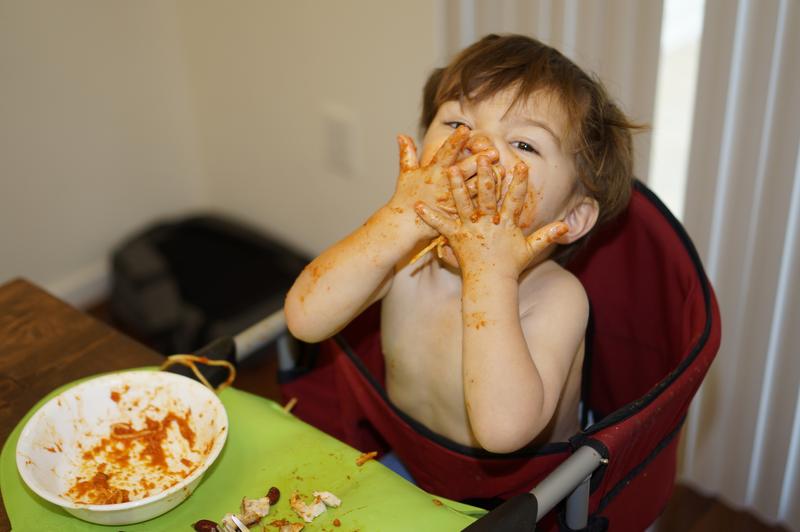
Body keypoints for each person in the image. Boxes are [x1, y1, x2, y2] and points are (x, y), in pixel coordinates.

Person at [284, 34, 636, 456]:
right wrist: (396, 222)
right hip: (408, 463)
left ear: (572, 217)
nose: (478, 147)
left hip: (516, 500)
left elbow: (503, 432)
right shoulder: (407, 257)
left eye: (524, 144)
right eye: (457, 123)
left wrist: (489, 275)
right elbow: (304, 319)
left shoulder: (556, 297)